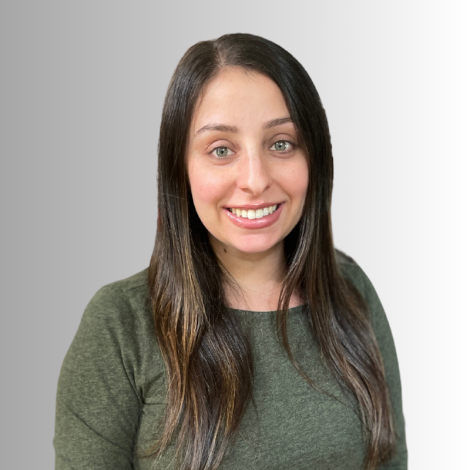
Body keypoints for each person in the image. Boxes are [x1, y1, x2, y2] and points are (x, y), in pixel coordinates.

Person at [53, 33, 407, 470]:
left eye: (281, 143)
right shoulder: (119, 326)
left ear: (314, 158)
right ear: (179, 169)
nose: (255, 180)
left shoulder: (351, 292)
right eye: (221, 150)